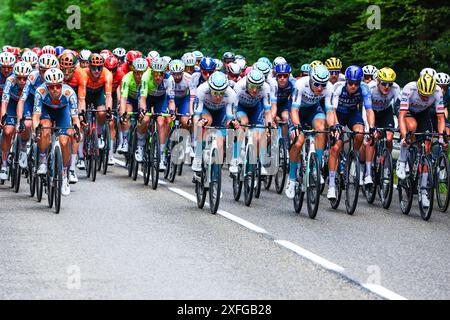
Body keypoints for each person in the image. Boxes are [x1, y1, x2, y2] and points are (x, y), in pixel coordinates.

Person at [396, 74, 446, 207]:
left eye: (427, 96)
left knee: (427, 148)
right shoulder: (409, 89)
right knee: (412, 127)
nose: (425, 97)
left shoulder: (437, 91)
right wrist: (404, 135)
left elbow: (441, 118)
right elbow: (401, 115)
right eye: (422, 94)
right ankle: (401, 160)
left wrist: (441, 137)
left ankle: (423, 191)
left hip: (423, 113)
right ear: (418, 88)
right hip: (407, 111)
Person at [325, 65, 374, 199]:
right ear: (346, 81)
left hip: (353, 113)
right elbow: (332, 110)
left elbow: (369, 110)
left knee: (360, 133)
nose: (353, 86)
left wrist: (372, 127)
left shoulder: (364, 88)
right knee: (336, 147)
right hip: (338, 114)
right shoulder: (338, 88)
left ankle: (354, 158)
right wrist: (335, 126)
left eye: (356, 83)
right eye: (351, 83)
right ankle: (331, 186)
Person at [284, 64, 332, 199]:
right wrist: (297, 126)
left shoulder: (328, 88)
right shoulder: (300, 84)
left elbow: (330, 111)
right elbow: (294, 109)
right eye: (317, 84)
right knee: (298, 142)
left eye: (323, 85)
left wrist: (334, 125)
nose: (320, 88)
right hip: (297, 111)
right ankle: (292, 178)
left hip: (313, 110)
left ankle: (316, 169)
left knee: (322, 130)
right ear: (310, 80)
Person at [32, 68, 81, 196]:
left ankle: (64, 175)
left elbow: (75, 117)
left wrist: (77, 130)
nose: (55, 89)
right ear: (47, 86)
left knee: (65, 140)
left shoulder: (69, 92)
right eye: (51, 86)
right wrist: (36, 130)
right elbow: (36, 116)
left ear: (62, 84)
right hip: (46, 110)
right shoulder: (40, 91)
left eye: (58, 86)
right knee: (44, 129)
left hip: (62, 112)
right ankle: (43, 161)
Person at [191, 71, 238, 172]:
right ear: (210, 88)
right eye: (215, 92)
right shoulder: (202, 89)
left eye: (221, 93)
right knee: (207, 121)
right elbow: (196, 116)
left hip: (221, 113)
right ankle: (198, 156)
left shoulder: (231, 94)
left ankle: (216, 176)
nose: (218, 96)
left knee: (221, 141)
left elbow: (230, 119)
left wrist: (232, 125)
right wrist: (197, 128)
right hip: (206, 111)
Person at [0, 61, 33, 179]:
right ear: (15, 76)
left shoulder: (32, 81)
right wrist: (3, 117)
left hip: (26, 103)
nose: (22, 81)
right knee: (8, 131)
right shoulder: (10, 81)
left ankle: (23, 148)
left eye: (25, 78)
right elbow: (4, 101)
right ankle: (4, 164)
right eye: (19, 78)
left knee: (27, 124)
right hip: (12, 104)